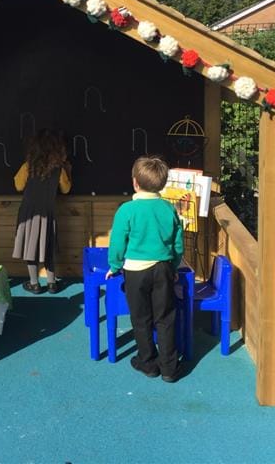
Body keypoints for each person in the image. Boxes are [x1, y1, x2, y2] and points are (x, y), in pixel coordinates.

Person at [106, 156, 185, 382]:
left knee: (140, 318)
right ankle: (169, 368)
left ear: (135, 182)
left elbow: (117, 242)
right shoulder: (168, 208)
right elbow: (177, 243)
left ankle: (148, 362)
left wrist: (114, 266)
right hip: (163, 268)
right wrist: (173, 265)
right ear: (162, 184)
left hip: (136, 271)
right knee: (165, 317)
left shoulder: (127, 210)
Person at [12, 129, 72, 294]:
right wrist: (68, 170)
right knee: (48, 247)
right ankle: (52, 283)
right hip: (48, 213)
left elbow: (18, 186)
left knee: (30, 248)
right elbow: (66, 189)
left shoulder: (27, 167)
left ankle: (34, 283)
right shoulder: (59, 169)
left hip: (28, 213)